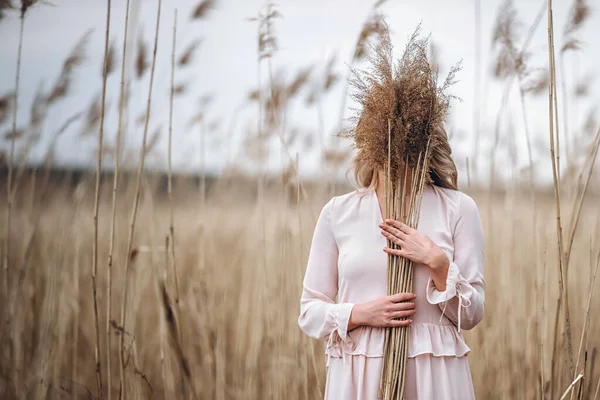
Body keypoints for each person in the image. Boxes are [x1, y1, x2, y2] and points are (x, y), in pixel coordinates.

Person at [297, 125, 485, 399]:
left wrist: (439, 264)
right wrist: (360, 314)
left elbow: (472, 315)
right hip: (358, 375)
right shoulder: (338, 212)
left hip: (435, 378)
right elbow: (309, 313)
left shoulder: (459, 208)